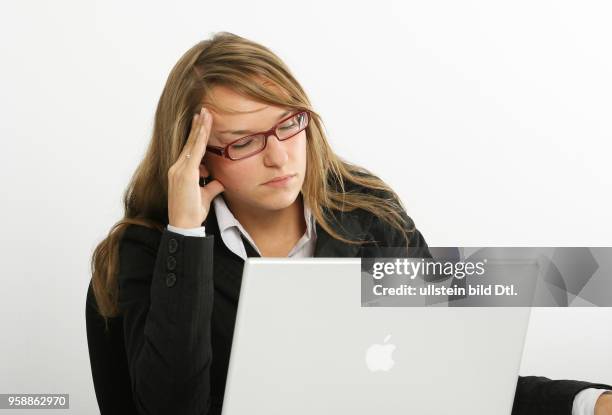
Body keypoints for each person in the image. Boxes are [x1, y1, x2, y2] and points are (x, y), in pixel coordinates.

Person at [87, 32, 612, 415]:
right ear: (197, 158)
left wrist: (588, 403)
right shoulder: (149, 252)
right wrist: (186, 233)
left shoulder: (369, 216)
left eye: (289, 125)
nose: (280, 158)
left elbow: (454, 380)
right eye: (245, 141)